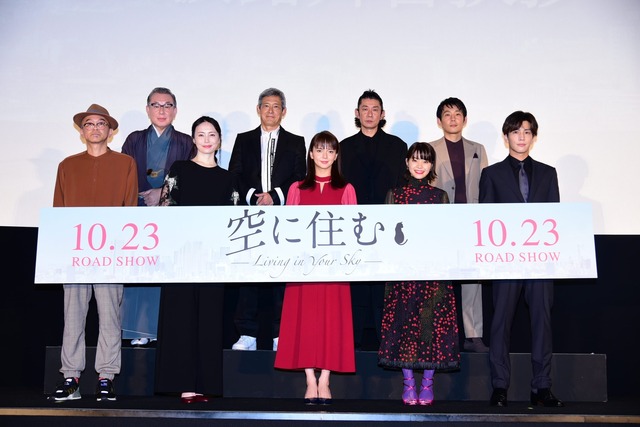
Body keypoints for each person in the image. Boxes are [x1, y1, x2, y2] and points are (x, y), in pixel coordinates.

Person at [49, 104, 138, 402]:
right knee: (73, 316)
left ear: (110, 131)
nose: (95, 128)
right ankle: (71, 377)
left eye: (101, 123)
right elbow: (59, 210)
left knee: (110, 316)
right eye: (89, 123)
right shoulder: (67, 165)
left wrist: (123, 249)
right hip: (75, 253)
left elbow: (130, 209)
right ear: (82, 130)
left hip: (111, 252)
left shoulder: (125, 163)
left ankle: (106, 377)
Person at [479, 111, 563, 408]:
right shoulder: (491, 174)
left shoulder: (548, 173)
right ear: (506, 137)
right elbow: (486, 219)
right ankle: (500, 386)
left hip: (540, 262)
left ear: (534, 137)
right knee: (500, 324)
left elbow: (555, 219)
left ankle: (542, 386)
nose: (522, 137)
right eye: (516, 132)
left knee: (542, 324)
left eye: (527, 131)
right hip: (505, 262)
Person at [154, 116, 234, 403]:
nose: (207, 140)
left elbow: (233, 220)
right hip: (181, 257)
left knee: (209, 322)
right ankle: (183, 384)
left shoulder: (229, 178)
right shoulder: (180, 169)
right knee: (181, 319)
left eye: (212, 134)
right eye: (201, 134)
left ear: (219, 140)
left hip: (213, 260)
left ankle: (205, 384)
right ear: (193, 139)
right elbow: (166, 207)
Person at [274, 131, 357, 405]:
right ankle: (310, 378)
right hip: (303, 266)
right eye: (319, 150)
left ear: (336, 155)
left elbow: (352, 231)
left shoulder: (347, 189)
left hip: (335, 267)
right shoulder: (297, 188)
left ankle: (326, 379)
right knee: (305, 320)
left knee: (333, 320)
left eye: (330, 151)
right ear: (311, 154)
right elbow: (287, 229)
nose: (324, 155)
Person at [378, 142, 460, 406]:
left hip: (433, 272)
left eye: (425, 160)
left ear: (431, 165)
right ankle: (408, 383)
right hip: (403, 272)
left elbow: (447, 235)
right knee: (403, 324)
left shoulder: (440, 196)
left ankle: (427, 383)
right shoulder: (395, 195)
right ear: (407, 163)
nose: (420, 165)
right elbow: (386, 235)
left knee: (431, 326)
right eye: (415, 159)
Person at [228, 87, 306, 351]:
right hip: (250, 215)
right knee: (248, 274)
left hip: (283, 216)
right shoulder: (244, 140)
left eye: (276, 106)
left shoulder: (296, 142)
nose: (271, 111)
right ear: (258, 109)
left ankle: (279, 334)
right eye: (266, 106)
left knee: (281, 275)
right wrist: (253, 196)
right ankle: (247, 333)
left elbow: (300, 176)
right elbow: (235, 174)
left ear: (284, 112)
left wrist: (275, 196)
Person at [120, 87, 194, 347]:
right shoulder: (134, 140)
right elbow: (124, 174)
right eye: (156, 105)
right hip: (138, 215)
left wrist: (162, 193)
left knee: (167, 272)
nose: (162, 110)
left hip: (171, 216)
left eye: (167, 105)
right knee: (139, 271)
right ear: (148, 109)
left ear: (175, 110)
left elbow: (192, 176)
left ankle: (164, 330)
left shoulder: (186, 142)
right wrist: (144, 195)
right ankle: (137, 329)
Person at [340, 89, 407, 349]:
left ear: (383, 114)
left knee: (384, 284)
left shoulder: (397, 146)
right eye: (365, 109)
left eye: (375, 109)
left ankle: (386, 340)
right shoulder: (344, 147)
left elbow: (402, 187)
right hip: (352, 226)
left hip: (387, 227)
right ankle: (354, 340)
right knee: (356, 284)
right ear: (357, 114)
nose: (370, 114)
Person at [429, 97, 489, 353]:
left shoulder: (478, 149)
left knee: (472, 280)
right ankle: (437, 334)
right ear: (439, 120)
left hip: (471, 222)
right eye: (447, 114)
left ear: (465, 120)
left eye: (457, 114)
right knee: (438, 280)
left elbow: (485, 186)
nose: (452, 119)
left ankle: (473, 335)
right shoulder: (428, 149)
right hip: (440, 223)